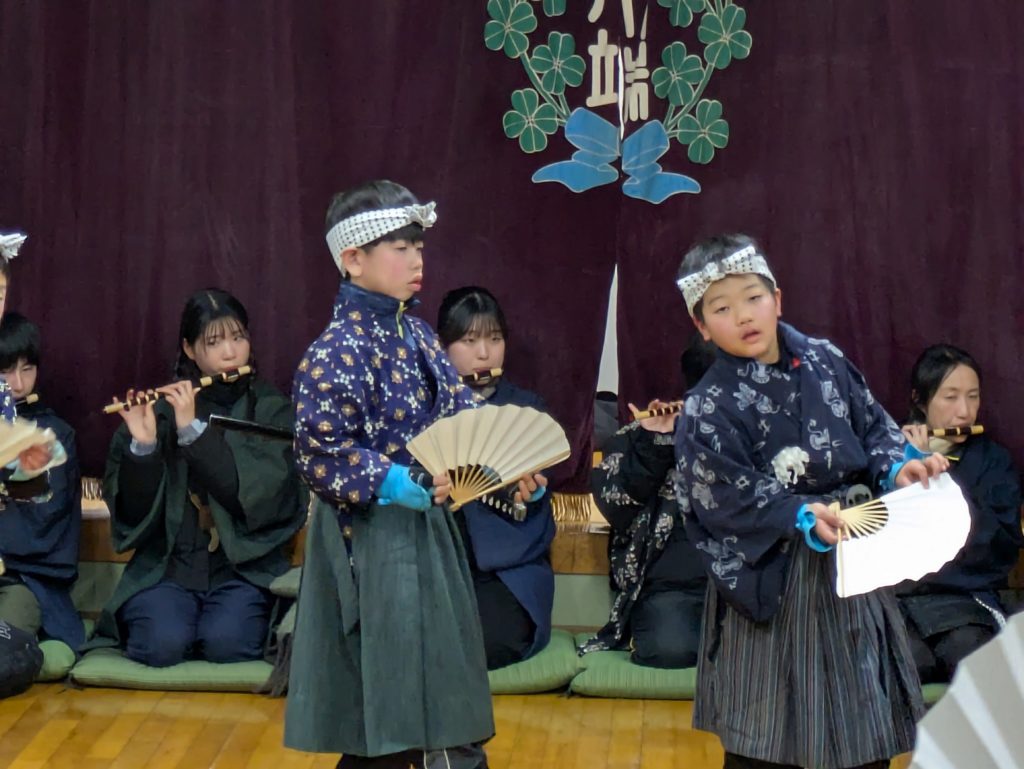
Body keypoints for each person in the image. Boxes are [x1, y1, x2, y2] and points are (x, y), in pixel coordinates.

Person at [286, 180, 540, 769]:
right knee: (389, 694)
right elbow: (320, 450)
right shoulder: (334, 350)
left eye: (419, 246)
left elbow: (459, 416)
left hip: (427, 529)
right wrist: (395, 482)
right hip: (369, 536)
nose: (417, 259)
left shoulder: (419, 335)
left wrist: (505, 466)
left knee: (436, 682)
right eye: (400, 248)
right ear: (353, 259)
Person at [673, 234, 947, 769]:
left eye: (754, 297)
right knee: (766, 734)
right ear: (701, 326)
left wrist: (898, 465)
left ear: (778, 298)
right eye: (721, 308)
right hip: (776, 573)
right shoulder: (708, 405)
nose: (743, 316)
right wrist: (796, 513)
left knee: (861, 725)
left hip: (852, 552)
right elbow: (719, 496)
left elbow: (873, 427)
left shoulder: (826, 360)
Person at [91, 288, 305, 667]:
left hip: (242, 569)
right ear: (190, 349)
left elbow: (254, 497)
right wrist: (144, 448)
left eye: (238, 337)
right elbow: (132, 513)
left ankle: (208, 625)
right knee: (161, 646)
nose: (230, 352)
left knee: (227, 644)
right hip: (169, 570)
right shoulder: (160, 412)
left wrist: (192, 432)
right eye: (214, 342)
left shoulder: (271, 410)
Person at [437, 285, 555, 670]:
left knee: (489, 644)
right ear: (442, 347)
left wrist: (529, 497)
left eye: (495, 339)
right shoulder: (423, 408)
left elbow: (536, 506)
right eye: (469, 341)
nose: (484, 353)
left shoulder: (526, 409)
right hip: (436, 561)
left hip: (507, 567)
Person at [582, 335, 715, 667]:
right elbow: (616, 506)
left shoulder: (767, 438)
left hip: (746, 586)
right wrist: (655, 444)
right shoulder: (642, 435)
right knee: (668, 649)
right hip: (672, 588)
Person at [898, 344, 1023, 683]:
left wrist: (940, 484)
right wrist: (913, 464)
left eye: (973, 397)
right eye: (950, 397)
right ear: (920, 400)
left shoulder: (993, 462)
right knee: (902, 665)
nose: (964, 411)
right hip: (902, 602)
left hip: (965, 599)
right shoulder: (890, 457)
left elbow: (996, 541)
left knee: (972, 659)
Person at [0, 312, 83, 651]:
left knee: (4, 642)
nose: (18, 384)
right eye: (5, 371)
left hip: (25, 579)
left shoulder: (54, 437)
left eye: (27, 369)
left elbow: (44, 519)